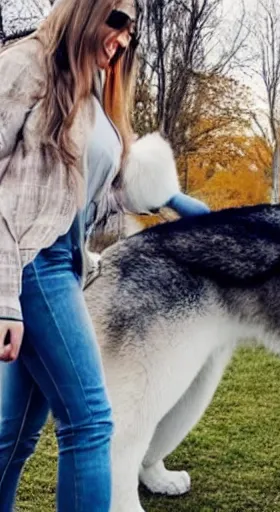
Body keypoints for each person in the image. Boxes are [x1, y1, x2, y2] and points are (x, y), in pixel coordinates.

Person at [0, 0, 208, 510]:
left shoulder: (91, 90)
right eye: (116, 19)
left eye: (131, 29)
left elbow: (95, 195)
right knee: (91, 422)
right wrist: (4, 295)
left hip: (67, 263)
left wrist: (173, 201)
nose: (122, 37)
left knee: (15, 434)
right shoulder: (24, 65)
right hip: (31, 262)